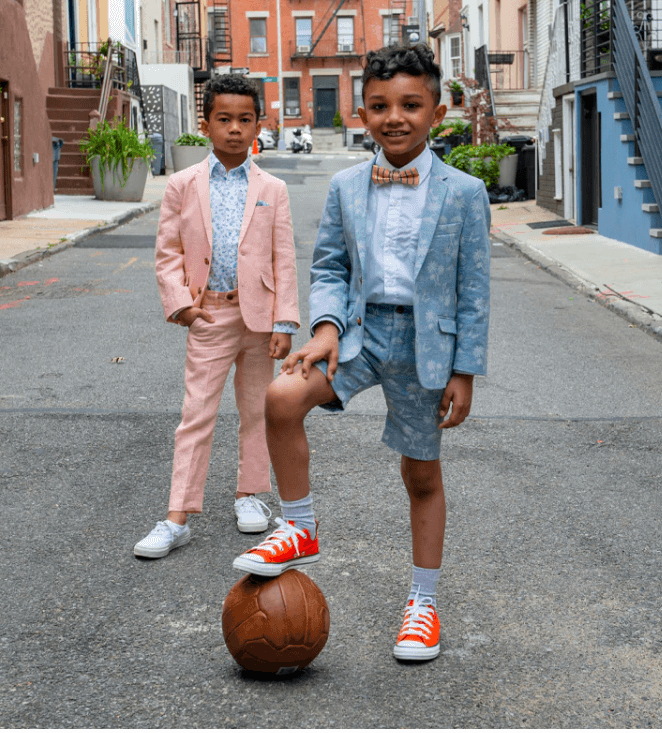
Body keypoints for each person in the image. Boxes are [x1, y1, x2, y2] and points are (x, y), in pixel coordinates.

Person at [232, 44, 491, 661]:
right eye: (379, 106)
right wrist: (324, 327)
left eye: (410, 104)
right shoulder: (347, 185)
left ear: (437, 109)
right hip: (358, 332)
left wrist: (465, 371)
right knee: (282, 395)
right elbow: (329, 265)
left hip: (429, 345)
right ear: (361, 111)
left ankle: (422, 603)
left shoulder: (465, 192)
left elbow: (474, 290)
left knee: (420, 474)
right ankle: (299, 526)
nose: (393, 117)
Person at [136, 74, 299, 559]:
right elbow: (168, 252)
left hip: (260, 319)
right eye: (224, 119)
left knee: (257, 412)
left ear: (257, 125)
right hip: (208, 315)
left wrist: (285, 322)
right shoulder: (183, 185)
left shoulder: (273, 187)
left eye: (244, 120)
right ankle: (176, 517)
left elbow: (283, 257)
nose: (234, 129)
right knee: (196, 415)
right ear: (205, 124)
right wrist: (182, 306)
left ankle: (250, 495)